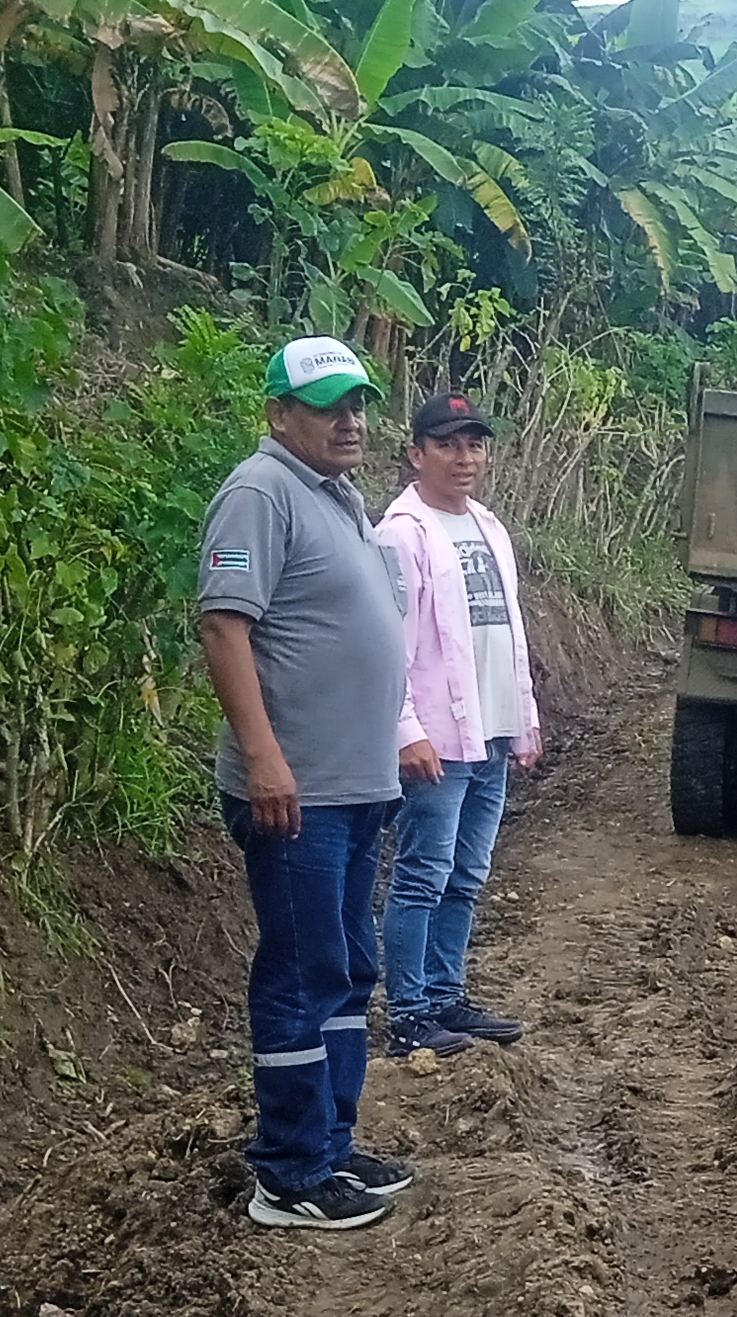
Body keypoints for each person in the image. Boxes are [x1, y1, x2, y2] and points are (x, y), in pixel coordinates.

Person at [198, 337, 418, 1230]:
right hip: (298, 793)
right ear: (279, 414)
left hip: (352, 788)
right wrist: (263, 758)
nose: (349, 421)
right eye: (328, 407)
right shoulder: (260, 492)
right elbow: (224, 627)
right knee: (300, 971)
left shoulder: (338, 498)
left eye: (357, 404)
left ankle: (331, 1142)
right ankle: (288, 1174)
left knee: (348, 968)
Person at [372, 393, 545, 1057]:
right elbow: (389, 644)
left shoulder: (488, 527)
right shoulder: (402, 534)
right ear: (416, 454)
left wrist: (523, 719)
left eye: (474, 444)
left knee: (466, 875)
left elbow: (508, 635)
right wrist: (405, 728)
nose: (464, 457)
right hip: (438, 741)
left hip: (491, 732)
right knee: (423, 873)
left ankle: (446, 995)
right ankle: (409, 1013)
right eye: (447, 444)